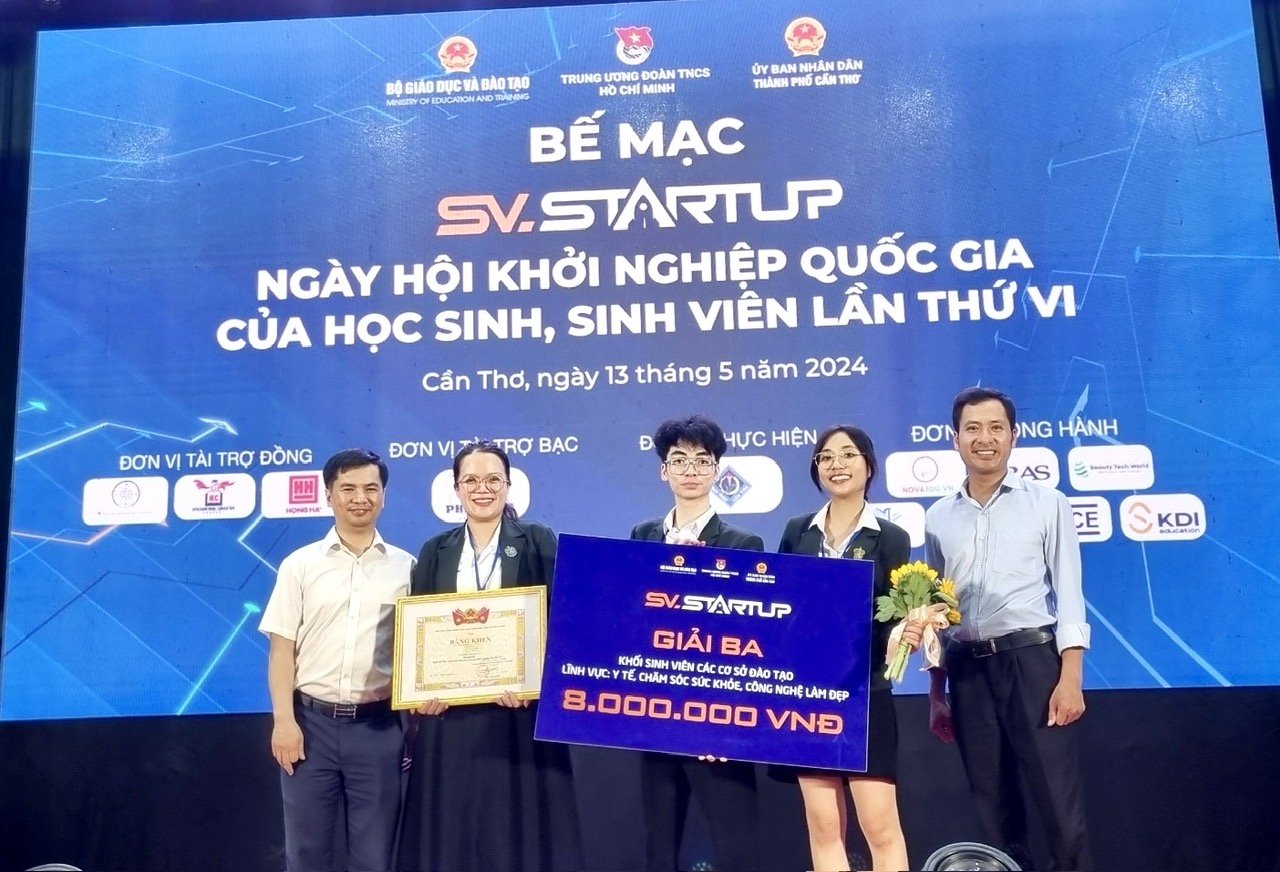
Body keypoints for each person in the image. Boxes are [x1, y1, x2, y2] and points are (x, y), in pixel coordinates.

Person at [925, 386, 1092, 871]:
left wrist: (1071, 676)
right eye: (973, 428)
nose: (985, 438)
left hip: (1032, 664)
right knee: (992, 809)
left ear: (1013, 436)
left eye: (996, 428)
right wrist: (937, 691)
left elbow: (1070, 592)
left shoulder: (1048, 503)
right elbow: (936, 612)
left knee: (1058, 806)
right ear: (955, 438)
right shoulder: (937, 517)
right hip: (967, 672)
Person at [398, 440, 581, 872]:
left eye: (493, 480)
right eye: (471, 480)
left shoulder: (536, 540)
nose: (483, 489)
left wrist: (535, 682)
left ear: (508, 485)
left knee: (517, 833)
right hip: (451, 717)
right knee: (455, 832)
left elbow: (563, 617)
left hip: (517, 714)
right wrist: (421, 691)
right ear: (457, 489)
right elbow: (420, 631)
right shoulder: (435, 549)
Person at [258, 448, 414, 872]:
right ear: (329, 494)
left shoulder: (408, 568)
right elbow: (281, 651)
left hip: (378, 729)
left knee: (375, 858)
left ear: (383, 496)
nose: (360, 498)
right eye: (348, 488)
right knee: (306, 855)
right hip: (310, 728)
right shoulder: (300, 565)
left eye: (370, 488)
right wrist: (284, 722)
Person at [776, 425, 918, 872]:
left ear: (868, 465)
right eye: (826, 457)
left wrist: (907, 635)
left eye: (848, 454)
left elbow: (896, 616)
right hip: (807, 695)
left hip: (865, 694)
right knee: (824, 828)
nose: (836, 464)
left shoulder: (891, 537)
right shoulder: (797, 532)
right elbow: (779, 607)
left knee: (880, 827)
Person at [630, 414, 764, 872]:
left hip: (719, 718)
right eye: (679, 460)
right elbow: (634, 622)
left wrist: (721, 720)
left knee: (738, 845)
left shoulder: (743, 543)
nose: (690, 470)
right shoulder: (643, 537)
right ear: (663, 470)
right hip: (657, 713)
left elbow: (749, 638)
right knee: (659, 846)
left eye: (702, 460)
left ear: (716, 470)